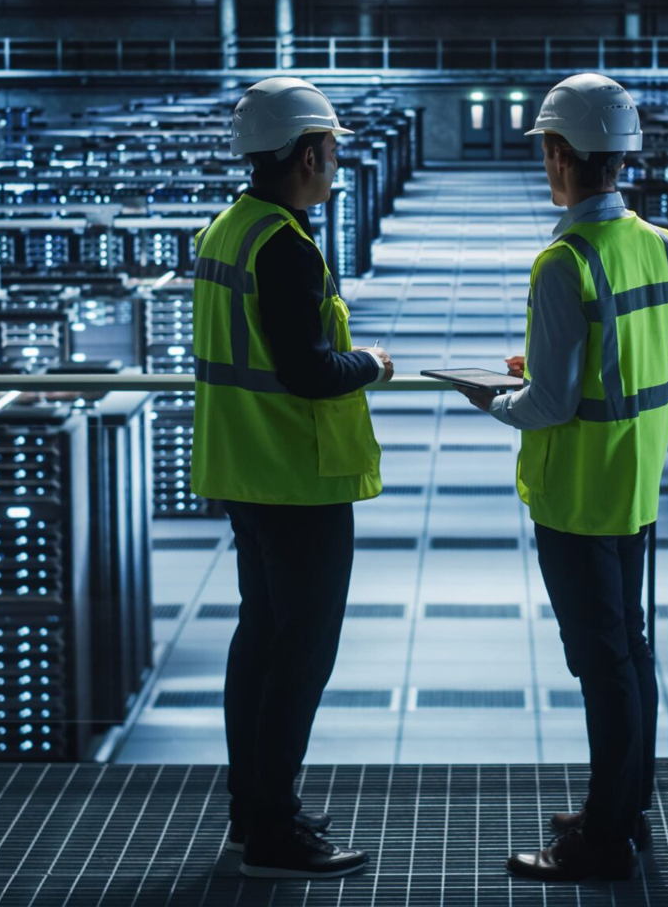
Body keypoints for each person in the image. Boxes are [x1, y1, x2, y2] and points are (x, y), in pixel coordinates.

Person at [461, 72, 668, 881]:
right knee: (631, 651)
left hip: (576, 491)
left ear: (558, 155)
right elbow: (654, 367)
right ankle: (622, 806)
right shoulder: (661, 244)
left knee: (601, 667)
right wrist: (554, 372)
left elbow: (549, 407)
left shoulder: (563, 261)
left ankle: (601, 844)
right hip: (636, 480)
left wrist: (495, 396)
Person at [191, 76, 393, 880]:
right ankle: (273, 830)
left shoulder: (227, 229)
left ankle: (255, 810)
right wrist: (371, 364)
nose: (338, 160)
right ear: (309, 153)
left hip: (243, 469)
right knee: (299, 658)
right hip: (295, 478)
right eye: (333, 148)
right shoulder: (284, 245)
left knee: (261, 646)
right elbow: (309, 372)